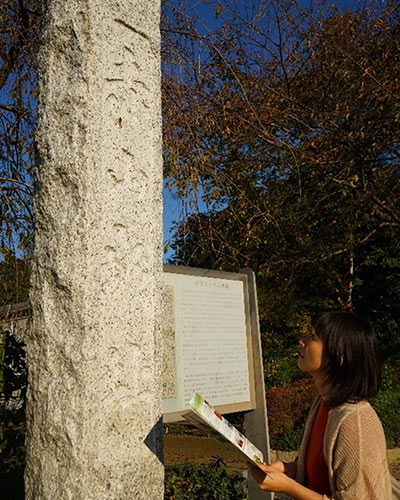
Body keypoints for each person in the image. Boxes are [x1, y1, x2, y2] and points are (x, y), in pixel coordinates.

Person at [248, 310, 400, 500]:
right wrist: (288, 469)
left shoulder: (356, 423)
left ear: (338, 358)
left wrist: (289, 487)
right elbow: (320, 473)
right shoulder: (324, 402)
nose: (302, 341)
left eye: (313, 337)